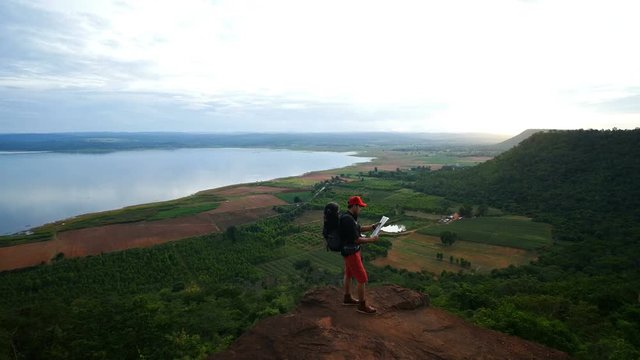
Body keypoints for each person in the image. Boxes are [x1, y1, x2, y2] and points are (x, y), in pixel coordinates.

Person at [340, 195, 379, 314]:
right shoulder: (349, 219)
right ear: (355, 206)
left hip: (346, 250)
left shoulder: (347, 217)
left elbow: (358, 229)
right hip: (352, 252)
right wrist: (372, 240)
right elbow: (356, 239)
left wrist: (373, 227)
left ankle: (347, 298)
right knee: (362, 278)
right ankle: (362, 306)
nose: (360, 209)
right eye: (360, 206)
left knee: (348, 274)